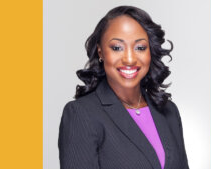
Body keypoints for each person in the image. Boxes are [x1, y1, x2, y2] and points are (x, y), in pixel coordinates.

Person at [58, 5, 189, 169]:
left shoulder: (169, 111)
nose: (129, 59)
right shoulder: (81, 114)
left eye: (140, 47)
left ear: (150, 51)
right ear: (100, 52)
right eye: (117, 48)